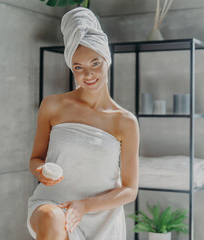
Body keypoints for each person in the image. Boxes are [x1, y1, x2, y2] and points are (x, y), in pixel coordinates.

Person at [27, 7, 139, 240]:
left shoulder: (125, 121)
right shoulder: (53, 105)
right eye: (78, 67)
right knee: (51, 216)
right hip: (51, 204)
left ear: (107, 60)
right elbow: (36, 159)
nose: (88, 74)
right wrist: (41, 171)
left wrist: (85, 206)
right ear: (71, 68)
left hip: (100, 216)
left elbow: (129, 190)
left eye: (95, 63)